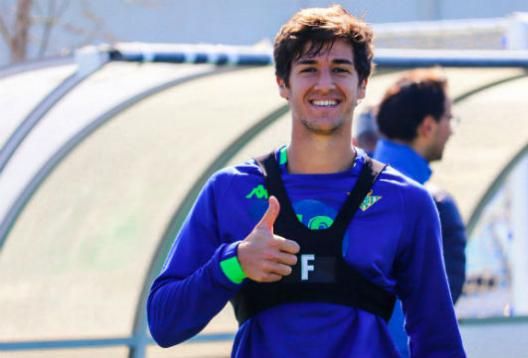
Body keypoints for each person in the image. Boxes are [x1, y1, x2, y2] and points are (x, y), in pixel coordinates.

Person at [147, 6, 465, 357]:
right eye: (309, 69)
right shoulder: (230, 191)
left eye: (340, 70)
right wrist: (235, 262)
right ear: (283, 83)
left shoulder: (407, 202)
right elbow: (163, 323)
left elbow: (439, 342)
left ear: (362, 85)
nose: (325, 83)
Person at [372, 68, 467, 357]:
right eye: (448, 118)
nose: (450, 129)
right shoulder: (434, 205)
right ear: (427, 127)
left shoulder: (345, 190)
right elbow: (438, 306)